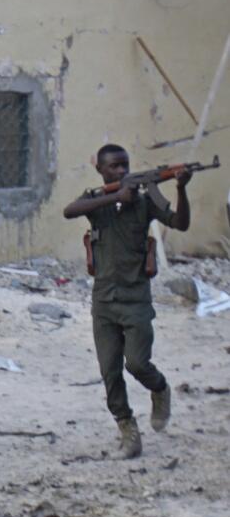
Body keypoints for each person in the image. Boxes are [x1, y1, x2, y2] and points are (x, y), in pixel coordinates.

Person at [62, 144, 191, 459]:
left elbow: (180, 223)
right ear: (101, 171)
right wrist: (115, 197)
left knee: (136, 363)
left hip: (135, 300)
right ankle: (128, 430)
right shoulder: (96, 200)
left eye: (125, 166)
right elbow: (69, 210)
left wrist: (181, 189)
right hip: (104, 301)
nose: (120, 172)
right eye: (113, 167)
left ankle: (159, 389)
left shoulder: (145, 202)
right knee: (110, 372)